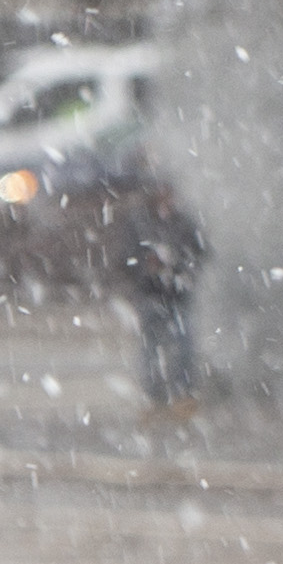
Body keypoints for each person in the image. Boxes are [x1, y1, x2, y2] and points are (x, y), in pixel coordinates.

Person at [110, 170, 206, 413]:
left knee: (183, 346)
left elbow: (201, 252)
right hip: (150, 293)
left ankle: (182, 394)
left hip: (177, 292)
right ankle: (156, 398)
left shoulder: (183, 222)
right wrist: (145, 265)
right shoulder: (139, 223)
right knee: (151, 349)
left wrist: (177, 264)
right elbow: (123, 259)